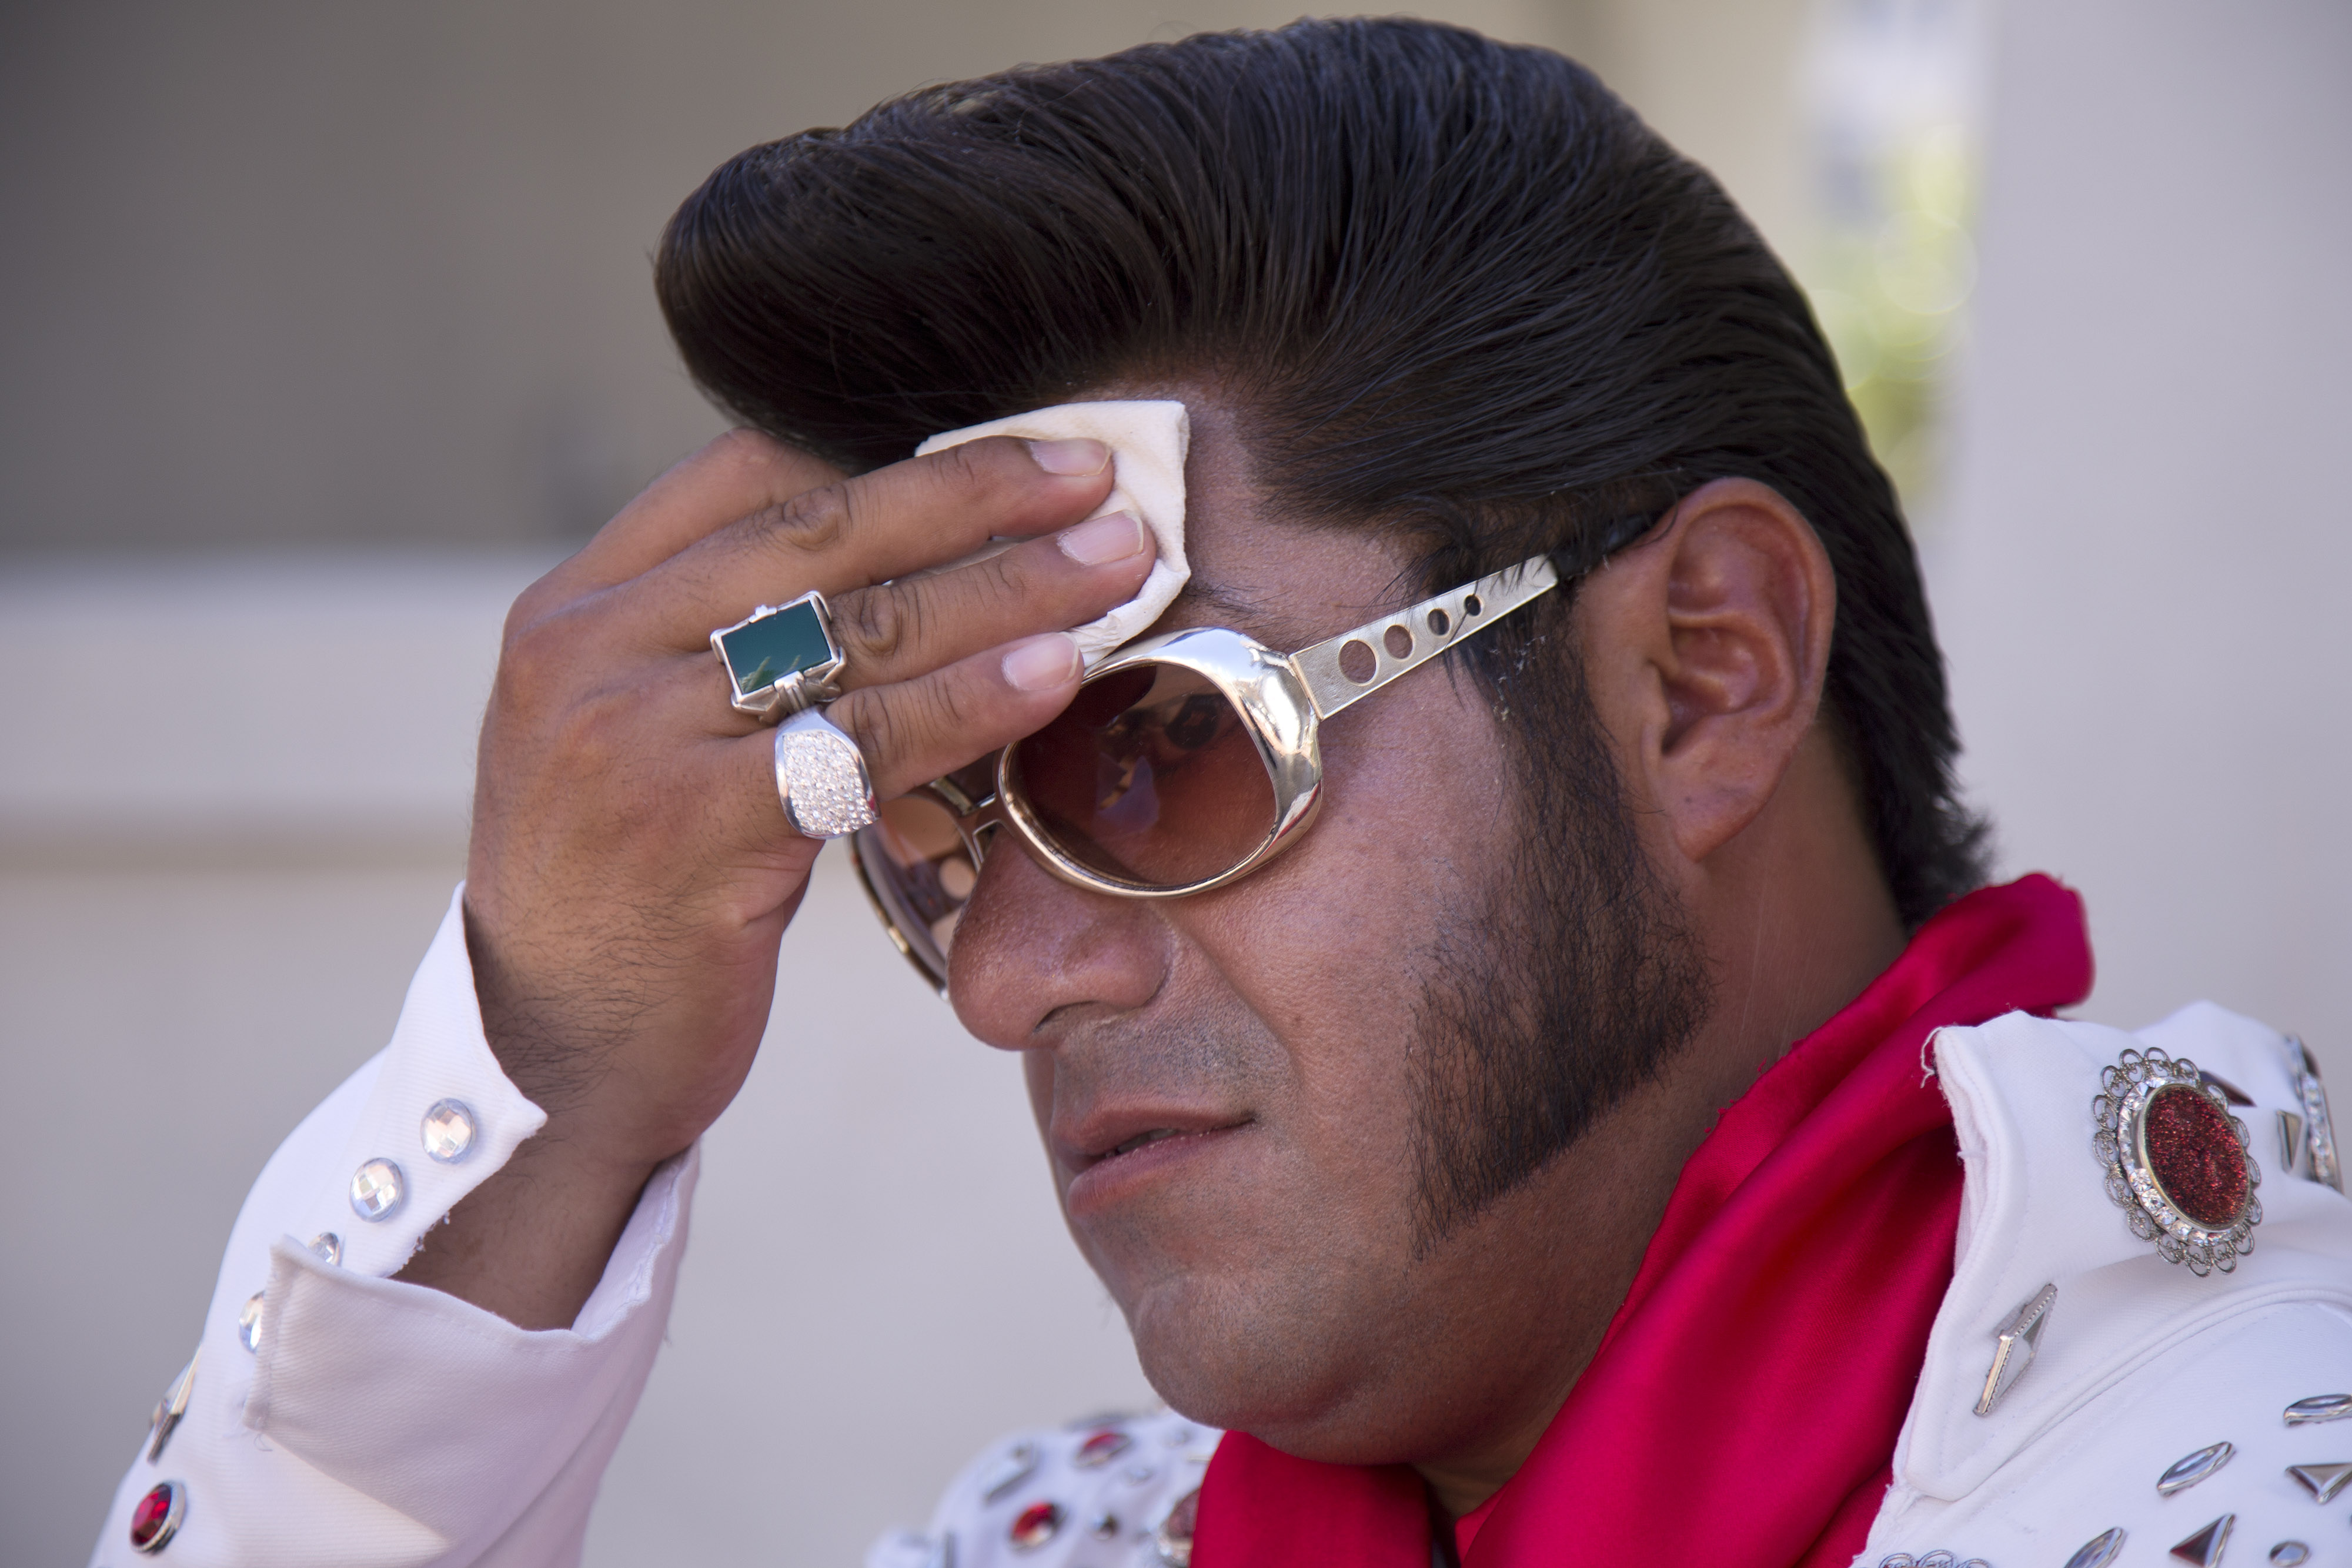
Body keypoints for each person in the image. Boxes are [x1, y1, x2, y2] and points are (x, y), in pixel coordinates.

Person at [93, 18, 2352, 1568]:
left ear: (1702, 680)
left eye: (1155, 745)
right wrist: (543, 1083)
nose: (1006, 978)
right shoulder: (1056, 1536)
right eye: (938, 839)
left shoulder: (2249, 1491)